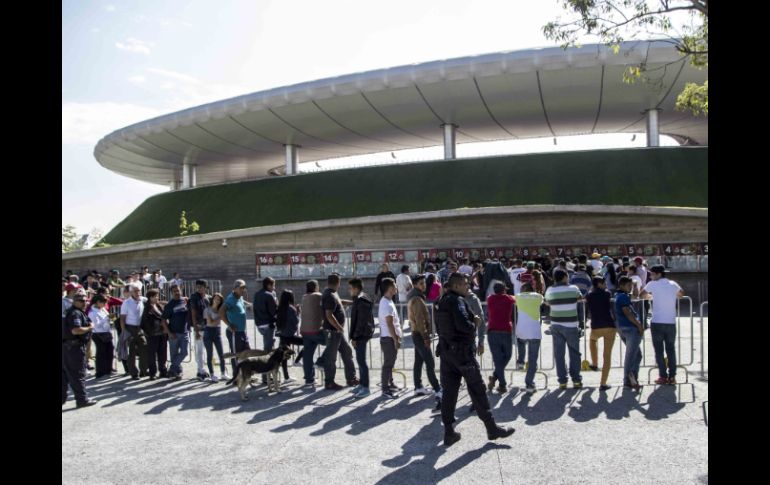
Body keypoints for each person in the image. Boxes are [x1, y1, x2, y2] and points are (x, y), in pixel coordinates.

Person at [435, 272, 515, 446]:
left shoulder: (441, 302)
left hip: (448, 354)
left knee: (449, 393)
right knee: (477, 389)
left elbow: (439, 327)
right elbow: (464, 326)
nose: (467, 287)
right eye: (464, 284)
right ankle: (491, 428)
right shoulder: (457, 301)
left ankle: (449, 431)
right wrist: (476, 323)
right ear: (456, 286)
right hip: (462, 354)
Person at [640, 265, 685, 385]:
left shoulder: (652, 284)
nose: (650, 276)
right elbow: (681, 294)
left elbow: (642, 294)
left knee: (659, 351)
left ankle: (663, 376)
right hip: (670, 322)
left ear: (658, 274)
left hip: (657, 322)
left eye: (652, 274)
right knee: (671, 350)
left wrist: (652, 296)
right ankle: (672, 377)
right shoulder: (673, 284)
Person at [544, 269, 584, 389]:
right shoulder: (574, 288)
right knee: (574, 353)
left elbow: (547, 302)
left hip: (556, 324)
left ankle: (562, 381)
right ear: (565, 277)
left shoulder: (550, 290)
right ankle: (576, 380)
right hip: (571, 325)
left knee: (559, 354)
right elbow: (580, 299)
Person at [407, 275, 441, 406]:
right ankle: (438, 389)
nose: (423, 286)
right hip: (420, 335)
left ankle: (418, 386)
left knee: (419, 361)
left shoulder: (415, 297)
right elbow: (420, 320)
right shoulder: (417, 299)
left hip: (417, 334)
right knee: (430, 362)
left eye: (424, 283)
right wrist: (426, 337)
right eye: (421, 284)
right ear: (415, 285)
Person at [322, 273, 359, 390]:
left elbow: (339, 302)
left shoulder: (333, 293)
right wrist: (339, 327)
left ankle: (351, 378)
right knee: (331, 358)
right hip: (333, 331)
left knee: (347, 351)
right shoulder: (329, 295)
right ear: (338, 282)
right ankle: (329, 382)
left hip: (337, 332)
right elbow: (329, 315)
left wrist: (352, 302)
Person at [62, 292, 97, 408]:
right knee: (77, 374)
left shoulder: (73, 312)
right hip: (73, 348)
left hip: (68, 347)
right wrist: (90, 327)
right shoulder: (75, 313)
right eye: (81, 301)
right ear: (74, 301)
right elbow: (76, 330)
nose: (84, 303)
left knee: (65, 374)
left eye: (86, 300)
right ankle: (82, 400)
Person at [585, 276, 616, 391]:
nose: (606, 285)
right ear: (599, 283)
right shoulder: (607, 294)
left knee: (592, 341)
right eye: (604, 283)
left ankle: (595, 362)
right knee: (607, 356)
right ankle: (603, 383)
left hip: (596, 326)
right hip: (609, 326)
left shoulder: (589, 295)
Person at [615, 276, 644, 391]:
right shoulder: (622, 296)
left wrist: (635, 285)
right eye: (628, 285)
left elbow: (636, 295)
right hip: (630, 328)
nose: (630, 287)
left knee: (637, 355)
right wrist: (639, 325)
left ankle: (633, 377)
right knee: (631, 355)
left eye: (631, 285)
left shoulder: (621, 295)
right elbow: (627, 312)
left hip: (623, 327)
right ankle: (628, 379)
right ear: (621, 285)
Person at [485, 282, 515, 393]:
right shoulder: (509, 299)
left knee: (498, 359)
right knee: (507, 356)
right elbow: (515, 298)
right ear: (504, 290)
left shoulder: (490, 299)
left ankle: (494, 377)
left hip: (492, 331)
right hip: (505, 331)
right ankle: (502, 384)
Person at [348, 278, 375, 398]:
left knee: (362, 361)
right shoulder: (359, 298)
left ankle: (366, 387)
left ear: (356, 288)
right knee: (360, 361)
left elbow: (361, 322)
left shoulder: (361, 300)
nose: (349, 290)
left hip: (361, 335)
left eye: (350, 288)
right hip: (360, 334)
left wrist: (355, 337)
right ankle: (362, 384)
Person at [515, 283, 544, 393]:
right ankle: (529, 384)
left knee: (521, 342)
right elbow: (542, 301)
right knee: (532, 360)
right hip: (534, 332)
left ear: (523, 289)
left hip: (521, 330)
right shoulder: (538, 296)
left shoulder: (518, 296)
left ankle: (521, 361)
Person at [220, 280, 251, 376]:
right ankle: (236, 377)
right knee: (236, 355)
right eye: (241, 288)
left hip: (241, 331)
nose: (243, 290)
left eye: (244, 288)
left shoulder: (239, 297)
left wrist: (250, 304)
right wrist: (229, 324)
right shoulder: (230, 299)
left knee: (246, 352)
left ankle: (245, 374)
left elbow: (242, 301)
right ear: (235, 288)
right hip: (234, 332)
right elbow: (221, 311)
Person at [378, 278, 402, 399]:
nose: (396, 287)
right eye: (395, 285)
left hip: (389, 338)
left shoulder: (388, 301)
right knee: (388, 364)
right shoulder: (386, 303)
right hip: (388, 338)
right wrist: (395, 339)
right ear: (390, 288)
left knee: (390, 363)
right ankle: (385, 389)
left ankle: (390, 383)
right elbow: (389, 323)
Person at [120, 283, 148, 380]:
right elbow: (122, 318)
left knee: (144, 348)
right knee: (131, 352)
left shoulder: (143, 300)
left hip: (140, 328)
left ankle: (143, 370)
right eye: (136, 291)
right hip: (129, 328)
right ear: (131, 292)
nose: (138, 292)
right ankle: (134, 373)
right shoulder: (126, 303)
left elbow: (154, 302)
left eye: (139, 290)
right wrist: (124, 331)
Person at [300, 280, 325, 386]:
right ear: (315, 287)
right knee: (333, 343)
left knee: (308, 355)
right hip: (315, 330)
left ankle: (309, 379)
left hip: (305, 331)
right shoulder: (318, 295)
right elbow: (332, 300)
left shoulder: (304, 297)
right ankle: (321, 362)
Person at [276, 289, 303, 383]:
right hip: (290, 334)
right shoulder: (291, 308)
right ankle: (297, 360)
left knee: (284, 356)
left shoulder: (280, 307)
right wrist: (298, 312)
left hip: (282, 334)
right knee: (308, 342)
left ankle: (286, 377)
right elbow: (296, 321)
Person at [141, 289, 168, 380]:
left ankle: (163, 371)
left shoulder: (159, 306)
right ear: (150, 297)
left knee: (162, 353)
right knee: (152, 355)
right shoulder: (147, 308)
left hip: (162, 333)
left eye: (157, 296)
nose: (157, 297)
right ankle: (153, 373)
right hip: (152, 334)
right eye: (155, 296)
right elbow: (144, 322)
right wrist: (148, 332)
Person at [189, 280, 212, 381]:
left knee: (207, 349)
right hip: (199, 327)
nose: (199, 288)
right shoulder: (194, 297)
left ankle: (205, 369)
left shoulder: (209, 298)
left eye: (201, 287)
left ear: (206, 287)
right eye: (197, 287)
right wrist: (196, 329)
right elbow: (193, 314)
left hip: (209, 327)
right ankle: (200, 371)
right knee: (199, 349)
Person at [87, 294, 114, 379]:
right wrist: (106, 318)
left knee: (110, 350)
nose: (105, 304)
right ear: (98, 302)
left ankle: (108, 369)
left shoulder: (103, 309)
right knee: (101, 352)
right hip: (98, 333)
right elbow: (96, 325)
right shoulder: (92, 312)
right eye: (103, 302)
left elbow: (107, 319)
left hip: (106, 332)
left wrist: (110, 319)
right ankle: (100, 371)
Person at [203, 292, 228, 382]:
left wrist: (219, 317)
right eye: (216, 298)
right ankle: (212, 375)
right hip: (208, 332)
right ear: (213, 299)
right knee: (210, 355)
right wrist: (220, 317)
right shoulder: (207, 310)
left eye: (219, 299)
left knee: (221, 354)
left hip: (217, 333)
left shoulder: (220, 310)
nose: (217, 300)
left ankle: (223, 373)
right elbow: (210, 322)